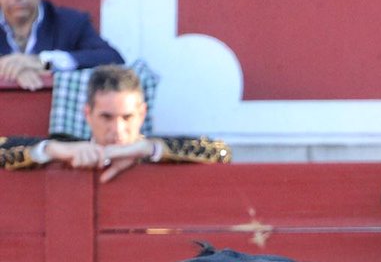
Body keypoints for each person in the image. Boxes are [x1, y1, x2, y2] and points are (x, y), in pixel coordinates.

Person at [1, 63, 231, 178]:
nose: (118, 130)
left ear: (142, 114)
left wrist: (147, 148)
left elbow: (221, 152)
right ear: (88, 114)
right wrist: (51, 149)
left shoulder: (155, 152)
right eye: (106, 117)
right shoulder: (69, 151)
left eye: (127, 117)